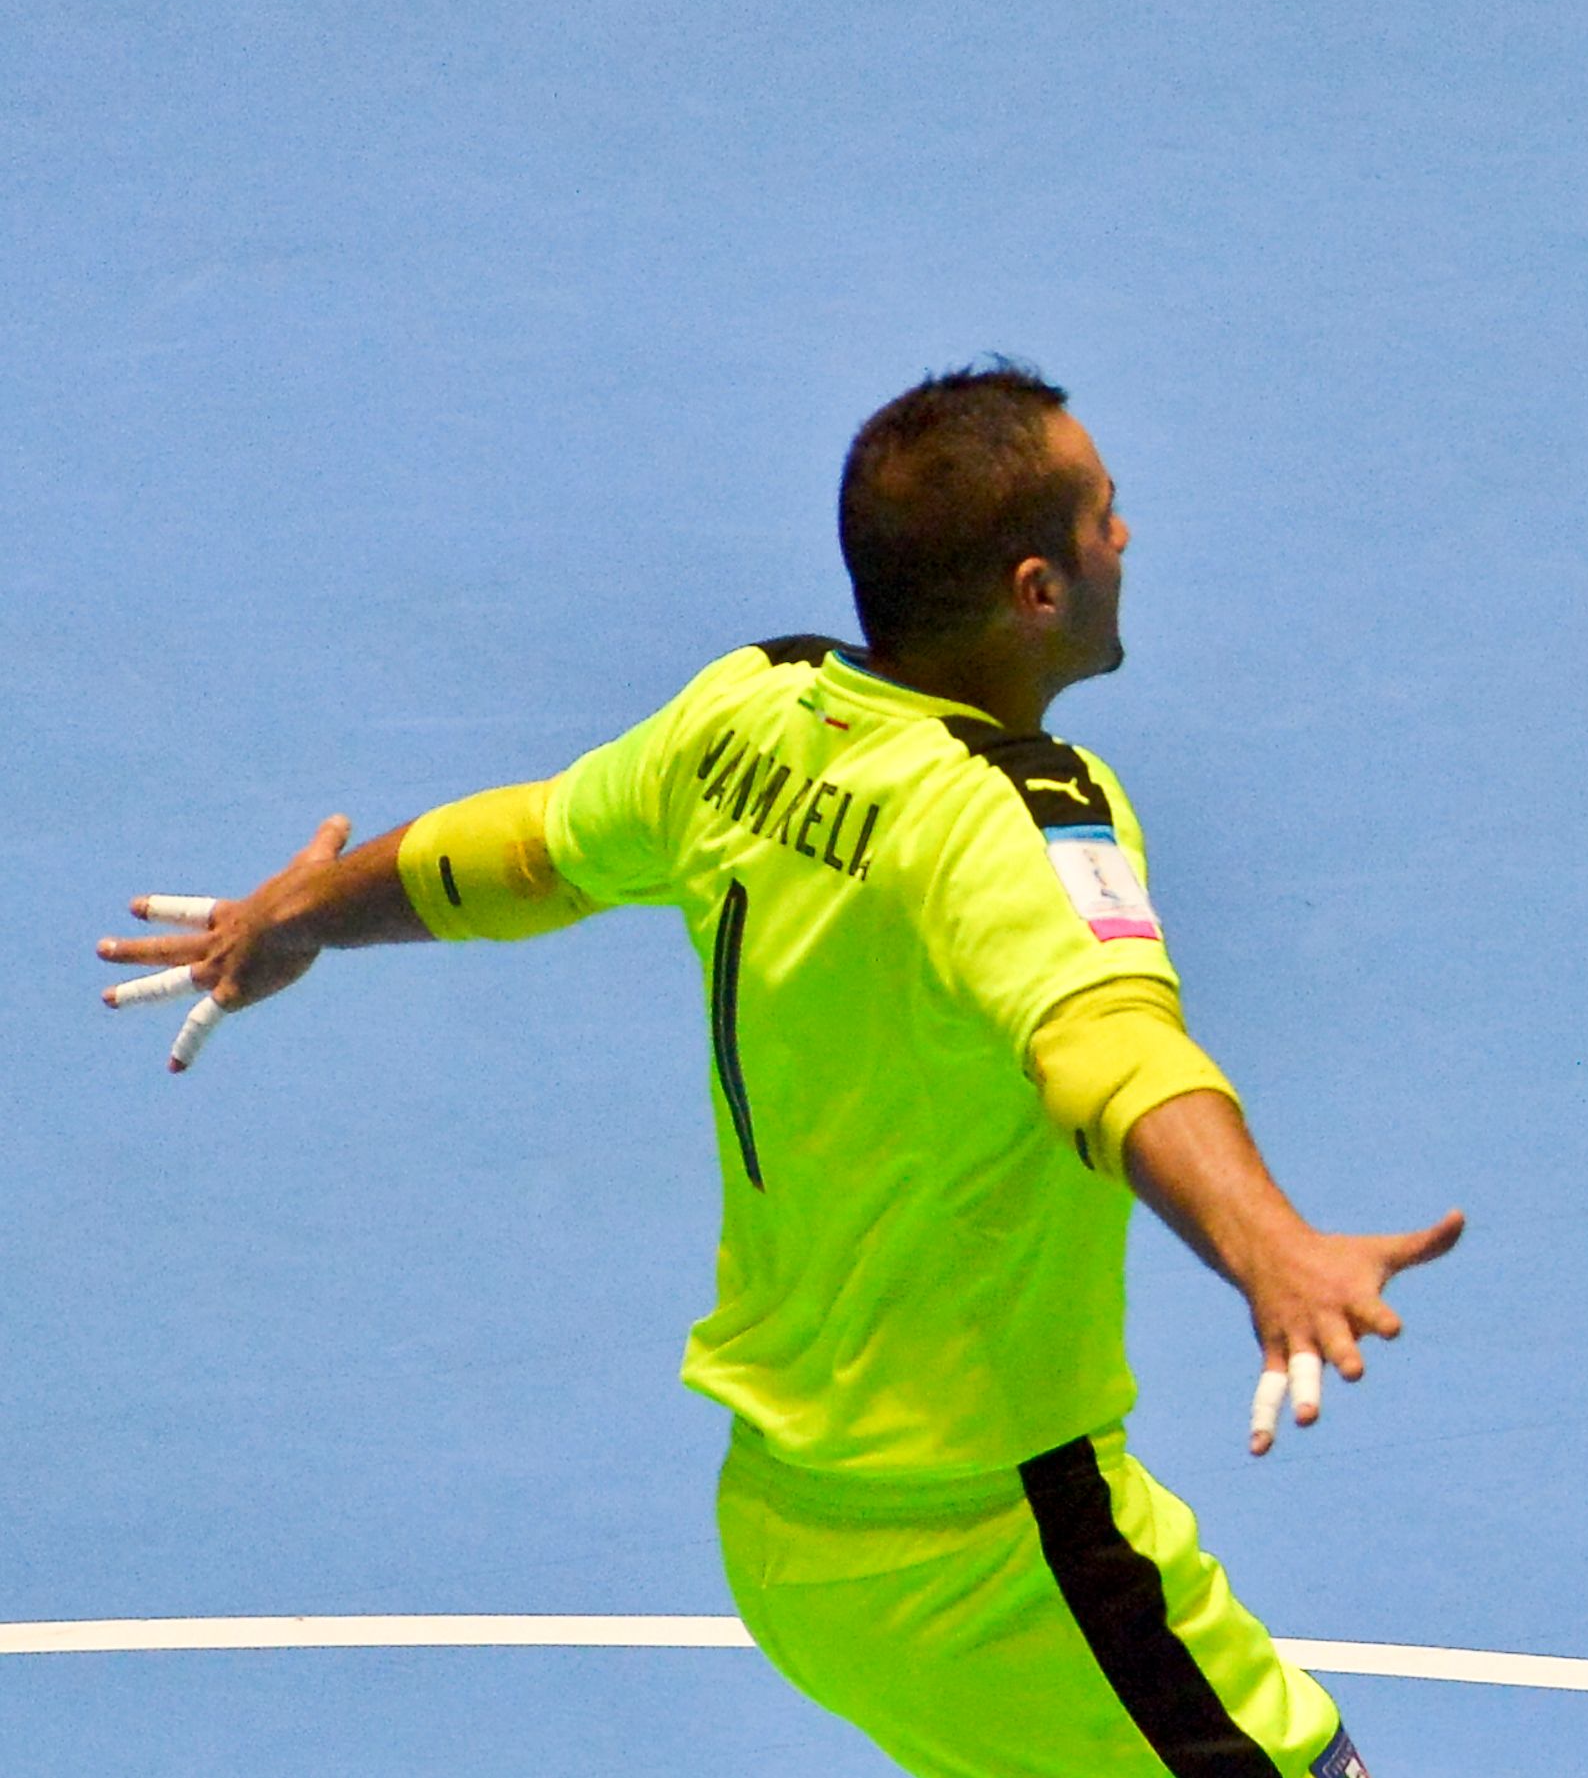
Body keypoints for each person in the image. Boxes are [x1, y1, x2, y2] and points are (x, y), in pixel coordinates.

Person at [95, 363, 1458, 1778]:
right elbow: (1111, 1045)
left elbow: (522, 849)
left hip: (789, 1533)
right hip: (997, 1549)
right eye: (1107, 516)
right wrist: (1269, 1244)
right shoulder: (1019, 814)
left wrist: (300, 912)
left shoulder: (749, 711)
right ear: (1037, 588)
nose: (1131, 538)